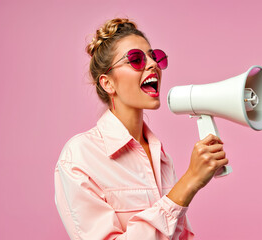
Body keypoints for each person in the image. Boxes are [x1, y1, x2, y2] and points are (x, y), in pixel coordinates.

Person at [54, 18, 228, 240]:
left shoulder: (161, 157)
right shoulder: (79, 158)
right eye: (135, 59)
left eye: (154, 57)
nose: (152, 64)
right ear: (108, 83)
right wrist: (190, 181)